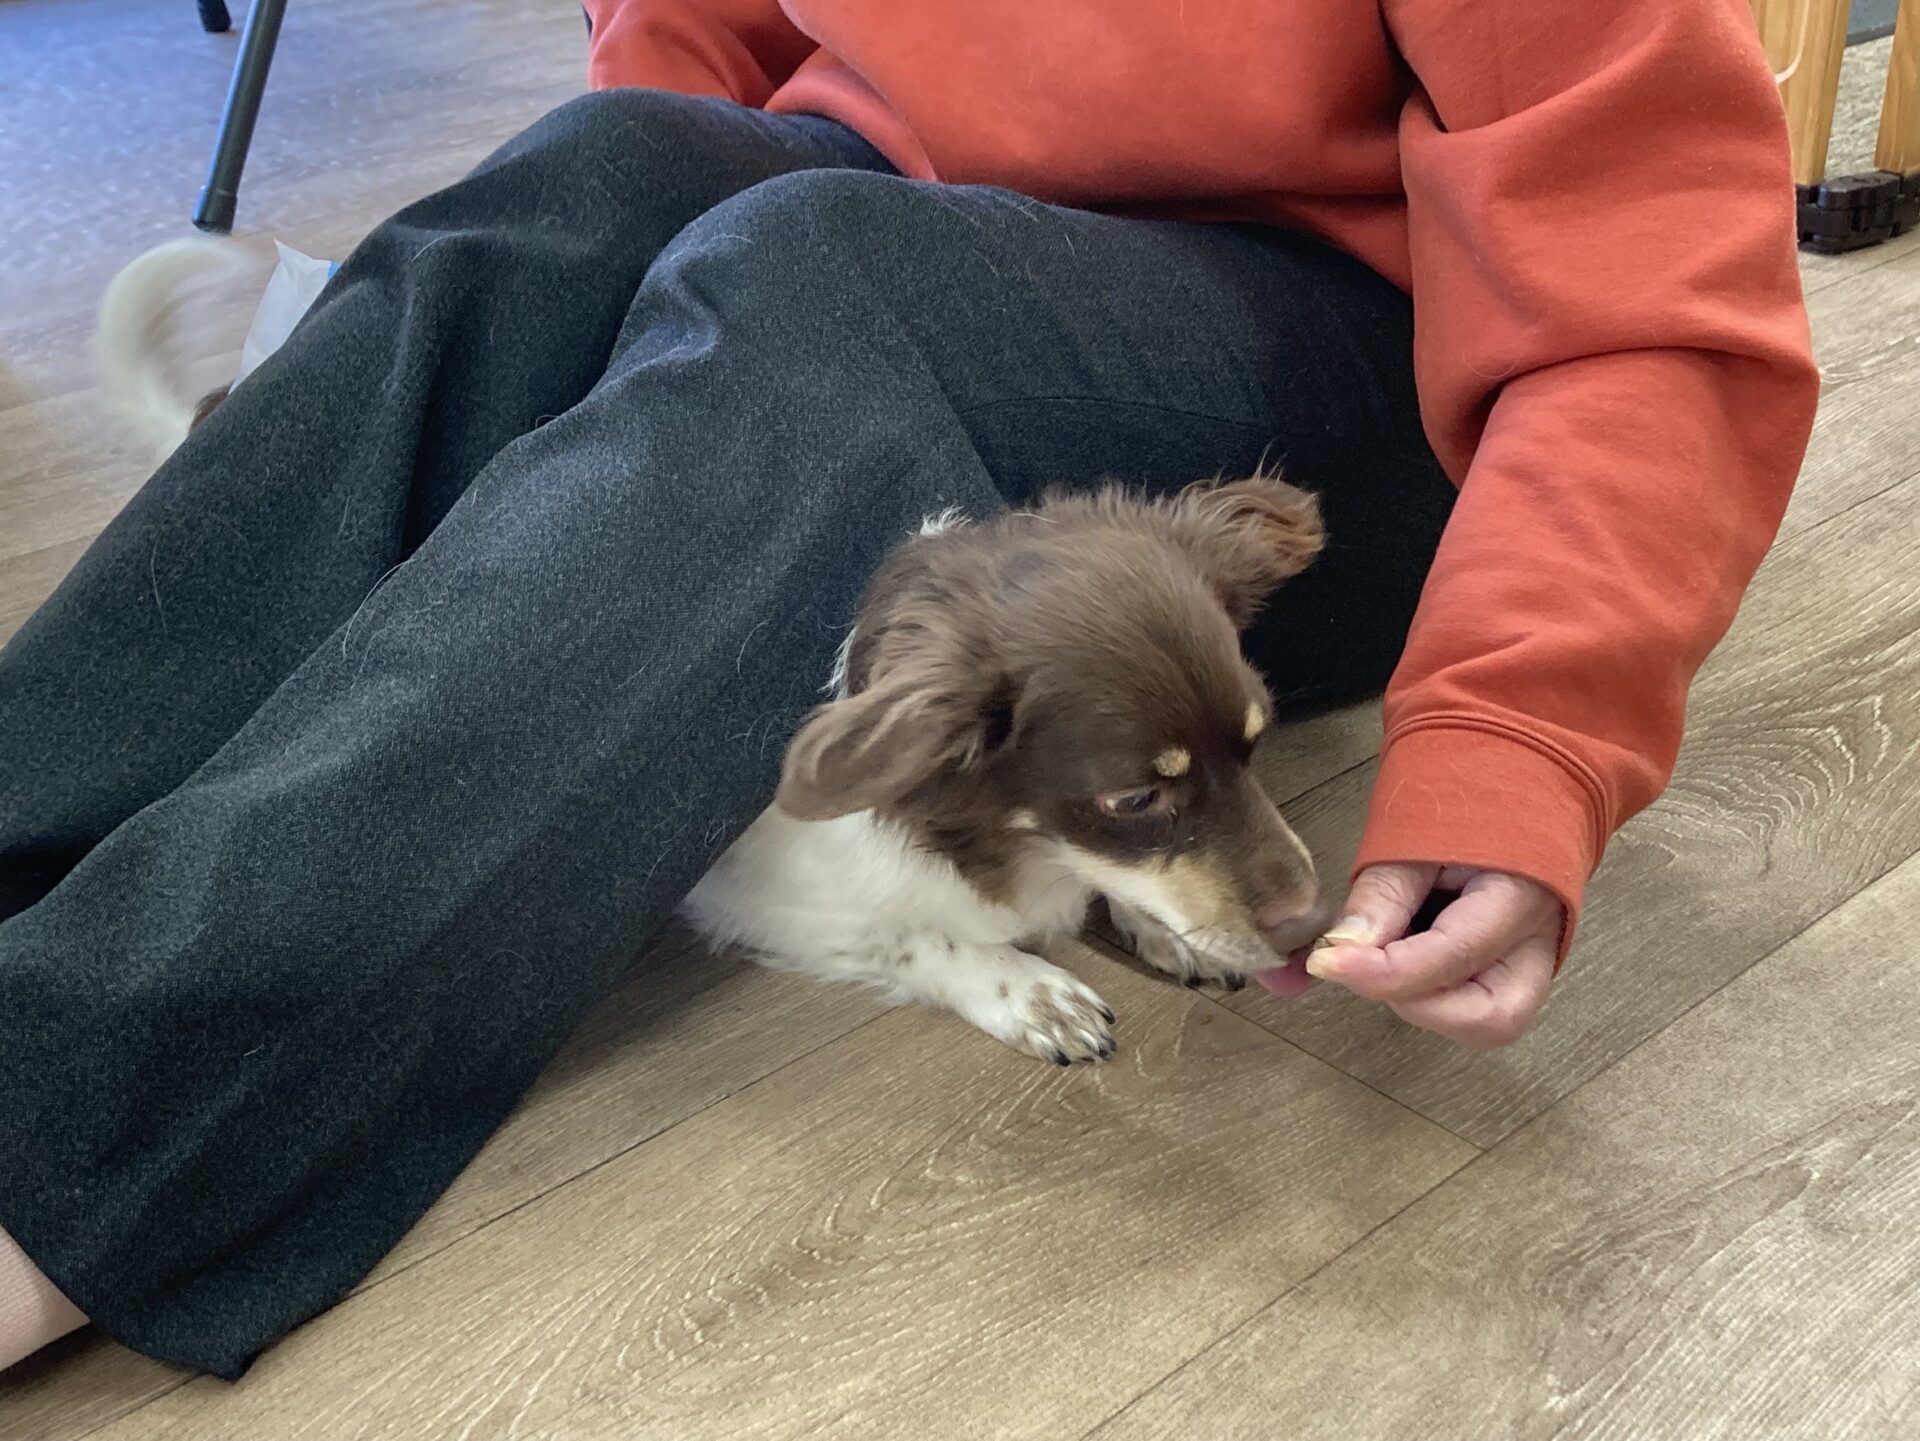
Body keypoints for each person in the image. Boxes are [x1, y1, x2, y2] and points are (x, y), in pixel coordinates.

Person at [0, 0, 1816, 1378]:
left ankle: (61, 1136)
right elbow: (693, 43)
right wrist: (613, 328)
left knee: (815, 277)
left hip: (1332, 366)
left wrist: (1519, 729)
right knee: (584, 186)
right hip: (894, 200)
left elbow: (1645, 274)